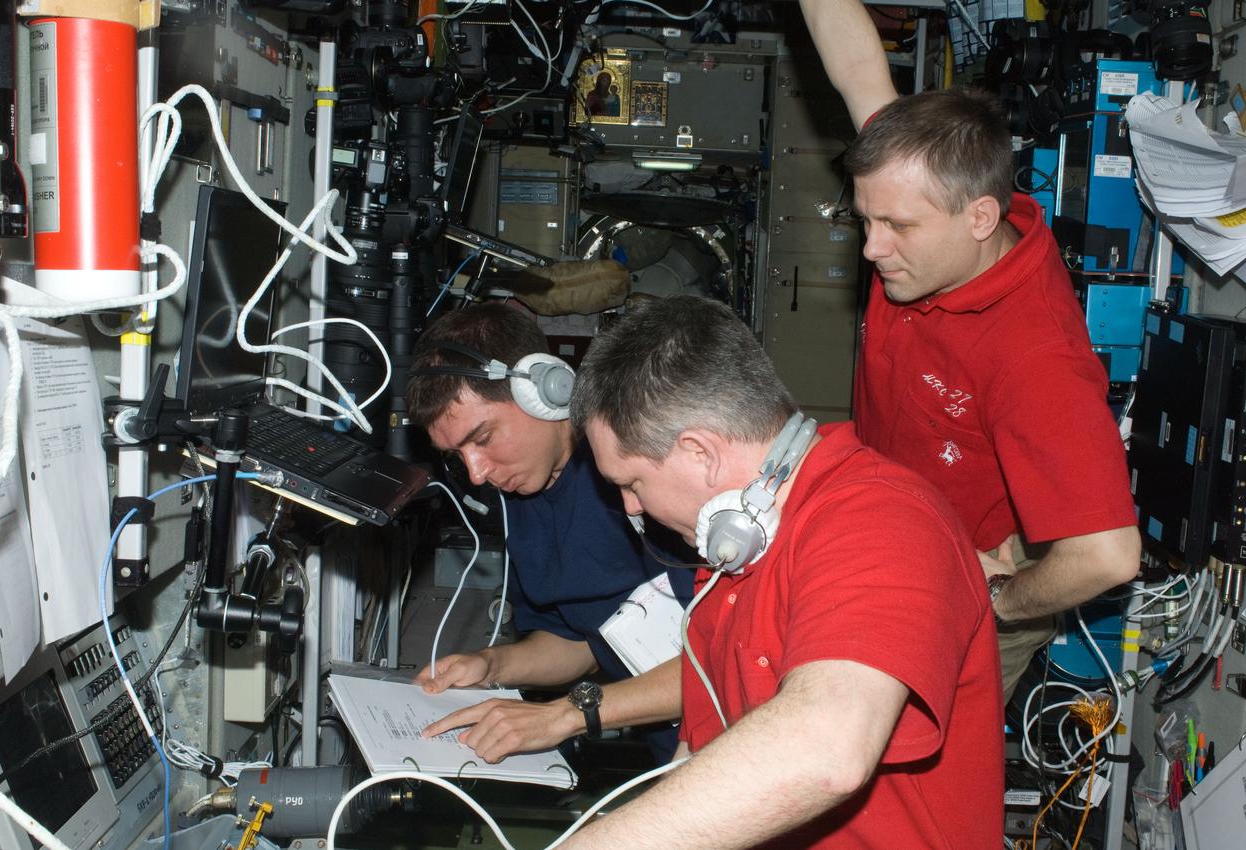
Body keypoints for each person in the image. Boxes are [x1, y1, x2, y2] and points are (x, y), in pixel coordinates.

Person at [562, 295, 1003, 849]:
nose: (629, 508)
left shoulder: (884, 520)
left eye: (631, 483)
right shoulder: (731, 558)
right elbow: (700, 759)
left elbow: (826, 748)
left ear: (700, 452)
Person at [800, 0, 1141, 699]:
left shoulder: (1034, 356)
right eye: (865, 220)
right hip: (889, 520)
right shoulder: (921, 179)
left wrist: (1001, 599)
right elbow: (858, 65)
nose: (872, 249)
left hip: (965, 592)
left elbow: (1108, 555)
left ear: (980, 217)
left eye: (895, 227)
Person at [407, 301, 693, 764]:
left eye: (482, 439)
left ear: (544, 390)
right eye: (458, 456)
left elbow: (722, 656)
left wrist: (567, 715)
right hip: (667, 739)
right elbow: (583, 643)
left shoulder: (644, 473)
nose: (476, 473)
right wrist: (491, 665)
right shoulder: (519, 498)